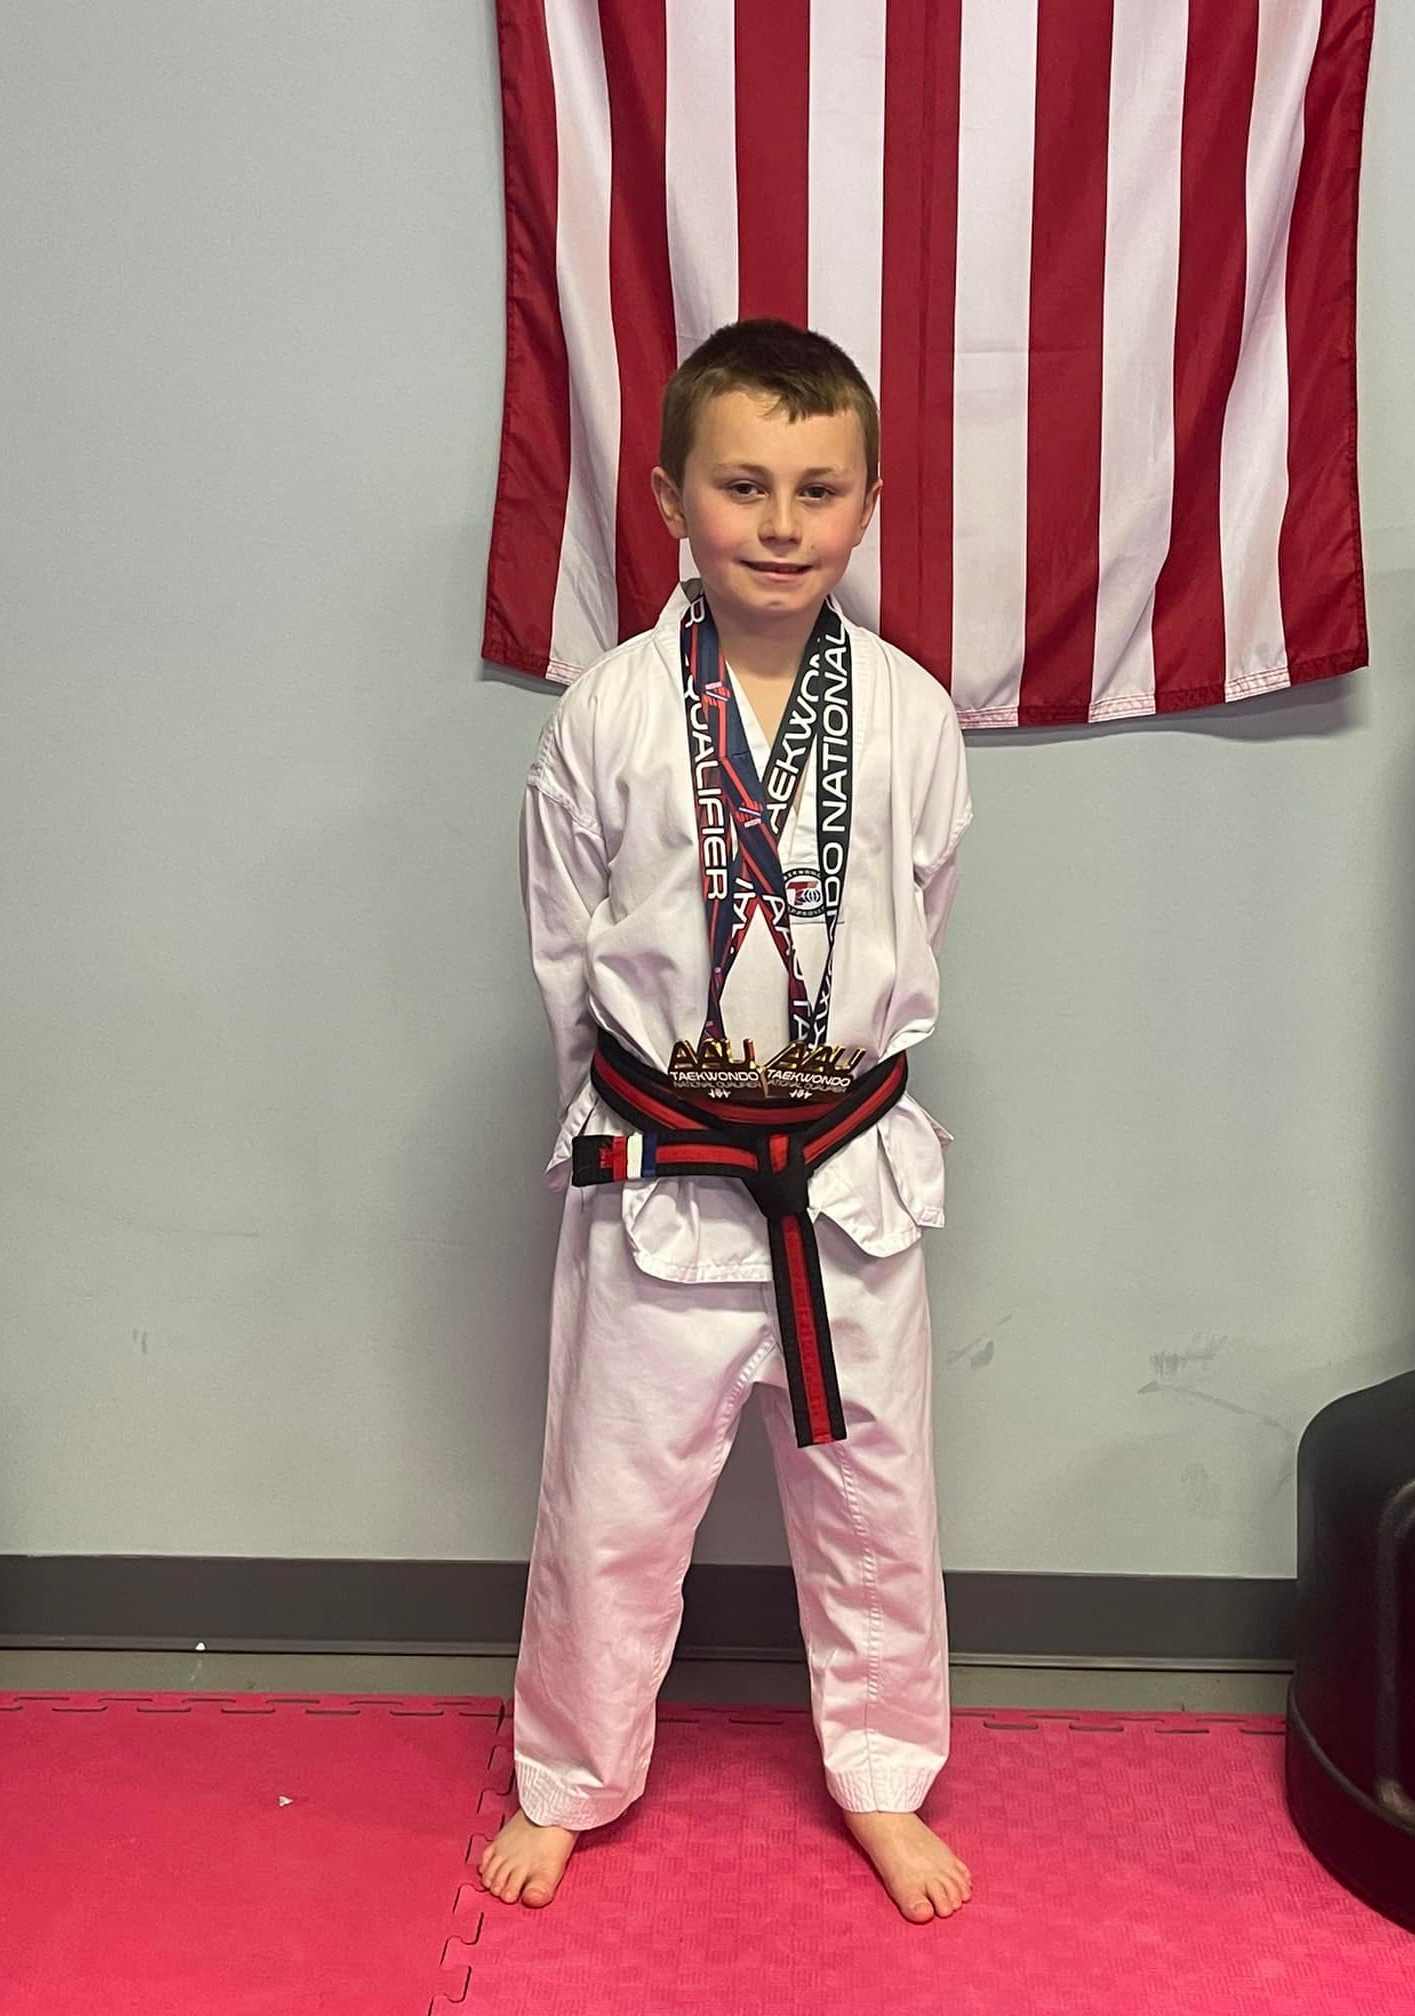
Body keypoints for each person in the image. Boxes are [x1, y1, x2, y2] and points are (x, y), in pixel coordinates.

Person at [479, 318, 974, 1923]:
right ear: (676, 497)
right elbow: (569, 952)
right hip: (667, 1174)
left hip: (847, 1175)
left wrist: (829, 1078)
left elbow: (926, 917)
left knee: (875, 1497)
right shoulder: (612, 710)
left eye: (818, 489)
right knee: (612, 1501)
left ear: (871, 502)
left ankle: (886, 1773)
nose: (781, 522)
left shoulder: (908, 716)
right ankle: (569, 1776)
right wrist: (633, 1112)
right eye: (743, 484)